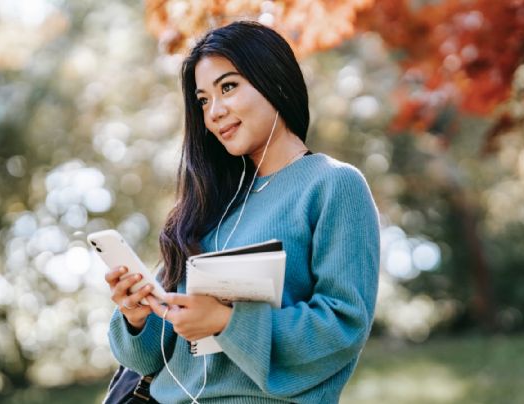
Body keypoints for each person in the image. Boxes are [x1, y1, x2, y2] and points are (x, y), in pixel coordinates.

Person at [104, 20, 380, 403]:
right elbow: (144, 357)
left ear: (274, 81)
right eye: (203, 100)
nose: (214, 112)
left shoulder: (333, 185)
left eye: (228, 87)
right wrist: (137, 315)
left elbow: (343, 327)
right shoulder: (208, 203)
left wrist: (225, 321)